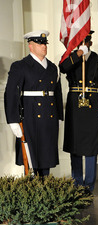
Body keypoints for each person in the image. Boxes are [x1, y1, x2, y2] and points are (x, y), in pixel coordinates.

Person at [4, 30, 63, 176]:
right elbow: (10, 94)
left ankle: (45, 190)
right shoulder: (20, 66)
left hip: (49, 118)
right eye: (40, 43)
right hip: (30, 118)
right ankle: (34, 193)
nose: (44, 46)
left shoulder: (52, 67)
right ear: (30, 46)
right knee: (31, 161)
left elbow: (57, 93)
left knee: (46, 159)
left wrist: (60, 115)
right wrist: (13, 121)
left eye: (45, 43)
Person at [59, 31, 98, 192]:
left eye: (86, 42)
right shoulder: (71, 58)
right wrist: (78, 54)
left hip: (92, 105)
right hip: (75, 105)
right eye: (80, 43)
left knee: (91, 147)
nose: (84, 45)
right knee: (74, 145)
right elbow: (62, 68)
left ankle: (88, 185)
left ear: (90, 43)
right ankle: (76, 183)